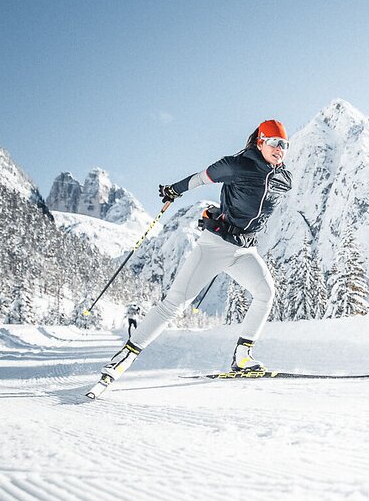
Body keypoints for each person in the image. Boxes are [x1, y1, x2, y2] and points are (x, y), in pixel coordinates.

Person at [93, 120, 293, 393]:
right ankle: (122, 359)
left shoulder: (284, 179)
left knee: (265, 293)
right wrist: (174, 190)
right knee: (173, 304)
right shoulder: (237, 165)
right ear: (260, 142)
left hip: (245, 251)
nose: (280, 149)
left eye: (284, 145)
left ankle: (242, 358)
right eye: (274, 142)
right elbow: (202, 177)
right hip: (215, 246)